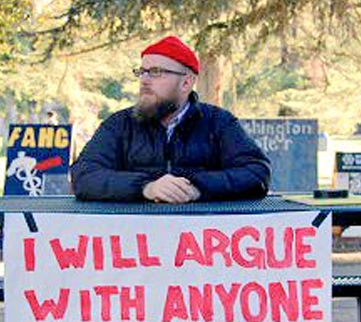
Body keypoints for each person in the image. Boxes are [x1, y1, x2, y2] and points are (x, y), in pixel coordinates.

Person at [71, 35, 270, 203]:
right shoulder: (119, 124)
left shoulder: (219, 122)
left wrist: (196, 188)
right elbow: (84, 175)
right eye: (142, 72)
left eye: (155, 72)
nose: (144, 80)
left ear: (186, 83)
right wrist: (146, 187)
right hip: (136, 233)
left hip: (200, 233)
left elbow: (257, 173)